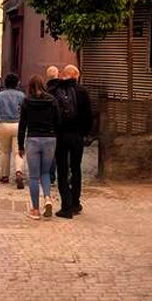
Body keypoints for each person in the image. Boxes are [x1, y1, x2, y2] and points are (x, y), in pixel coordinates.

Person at [49, 64, 92, 218]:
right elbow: (88, 116)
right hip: (77, 136)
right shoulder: (82, 92)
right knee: (76, 168)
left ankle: (65, 207)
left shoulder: (54, 91)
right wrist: (86, 134)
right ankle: (75, 203)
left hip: (60, 136)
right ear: (75, 76)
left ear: (64, 75)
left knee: (62, 169)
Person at [17, 74, 60, 220]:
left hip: (33, 139)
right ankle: (47, 197)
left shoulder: (26, 101)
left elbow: (22, 125)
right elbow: (58, 121)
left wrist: (20, 145)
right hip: (50, 139)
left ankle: (35, 209)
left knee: (34, 177)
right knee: (46, 173)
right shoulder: (52, 100)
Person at [0, 73, 26, 187]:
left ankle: (4, 175)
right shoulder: (22, 95)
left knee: (4, 151)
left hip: (4, 124)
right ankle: (19, 172)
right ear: (17, 83)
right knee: (18, 151)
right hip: (18, 125)